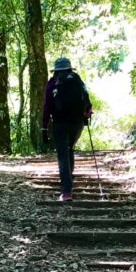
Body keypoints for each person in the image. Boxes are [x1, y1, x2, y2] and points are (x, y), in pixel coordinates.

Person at [41, 57, 92, 201]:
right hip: (77, 123)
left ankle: (66, 191)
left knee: (62, 154)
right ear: (69, 69)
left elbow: (47, 107)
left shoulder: (52, 83)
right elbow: (86, 99)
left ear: (56, 71)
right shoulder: (77, 79)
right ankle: (69, 180)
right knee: (69, 149)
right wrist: (86, 113)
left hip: (59, 124)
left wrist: (44, 127)